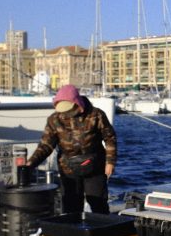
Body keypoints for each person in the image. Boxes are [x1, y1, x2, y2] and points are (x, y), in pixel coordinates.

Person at [26, 84, 116, 214]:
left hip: (94, 166)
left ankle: (102, 232)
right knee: (71, 205)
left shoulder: (97, 115)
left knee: (99, 203)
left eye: (68, 109)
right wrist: (31, 163)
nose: (65, 113)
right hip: (68, 168)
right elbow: (46, 145)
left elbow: (110, 138)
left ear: (77, 104)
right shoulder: (54, 119)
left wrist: (110, 162)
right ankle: (73, 232)